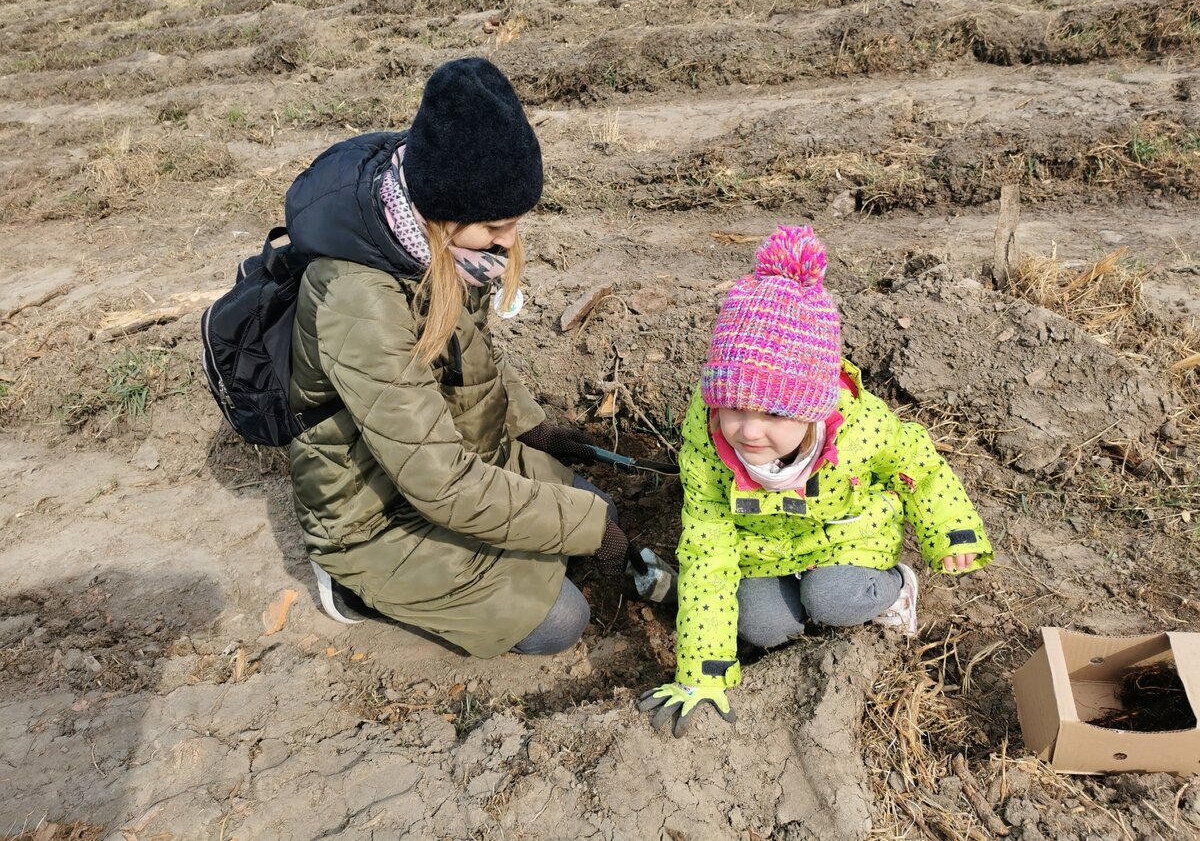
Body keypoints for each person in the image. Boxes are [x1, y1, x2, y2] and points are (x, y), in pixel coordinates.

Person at [284, 57, 631, 657]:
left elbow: (471, 350)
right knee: (561, 618)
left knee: (602, 509)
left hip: (445, 455)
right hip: (374, 510)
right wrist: (586, 531)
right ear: (445, 210)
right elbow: (441, 482)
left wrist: (532, 426)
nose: (509, 241)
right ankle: (351, 586)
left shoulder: (432, 244)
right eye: (497, 225)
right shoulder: (359, 301)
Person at [638, 226, 993, 736]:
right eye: (734, 407)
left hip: (847, 536)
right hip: (765, 551)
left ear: (811, 411)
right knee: (762, 626)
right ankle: (795, 604)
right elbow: (707, 552)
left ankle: (896, 590)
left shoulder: (859, 428)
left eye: (774, 414)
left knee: (831, 598)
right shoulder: (707, 444)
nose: (748, 431)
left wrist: (952, 532)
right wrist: (702, 672)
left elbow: (921, 465)